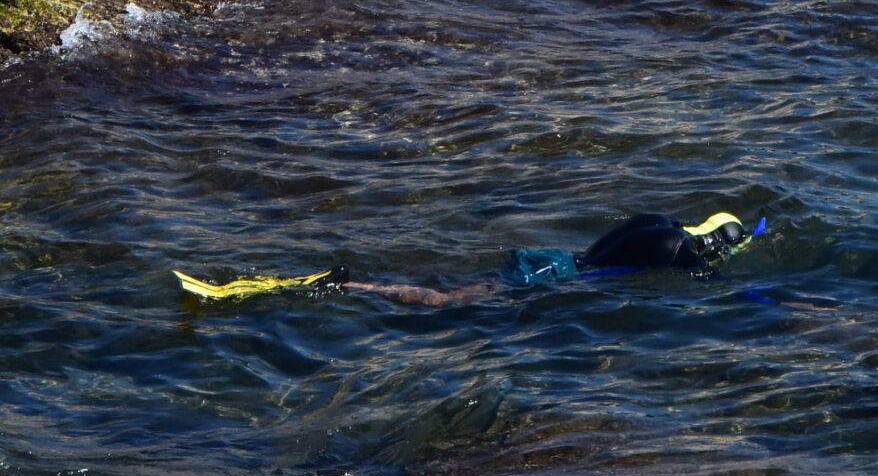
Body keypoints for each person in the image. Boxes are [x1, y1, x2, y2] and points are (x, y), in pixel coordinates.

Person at [175, 213, 763, 309]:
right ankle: (346, 286)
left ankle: (349, 285)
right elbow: (729, 291)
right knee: (444, 302)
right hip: (553, 277)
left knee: (454, 288)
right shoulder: (683, 254)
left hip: (553, 256)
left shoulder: (657, 223)